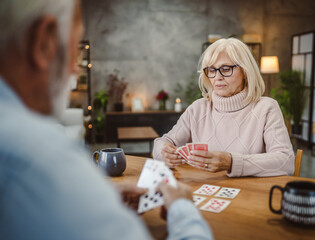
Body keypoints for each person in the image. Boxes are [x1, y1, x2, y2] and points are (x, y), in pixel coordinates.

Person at [0, 0, 213, 239]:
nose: (76, 70)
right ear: (44, 43)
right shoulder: (43, 158)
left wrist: (93, 201)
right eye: (76, 51)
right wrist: (183, 209)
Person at [153, 38, 294, 177]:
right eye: (211, 70)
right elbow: (162, 143)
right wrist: (163, 153)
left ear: (245, 72)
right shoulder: (198, 108)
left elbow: (286, 161)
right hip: (205, 191)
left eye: (226, 69)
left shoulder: (266, 108)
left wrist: (231, 162)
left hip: (250, 195)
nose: (217, 77)